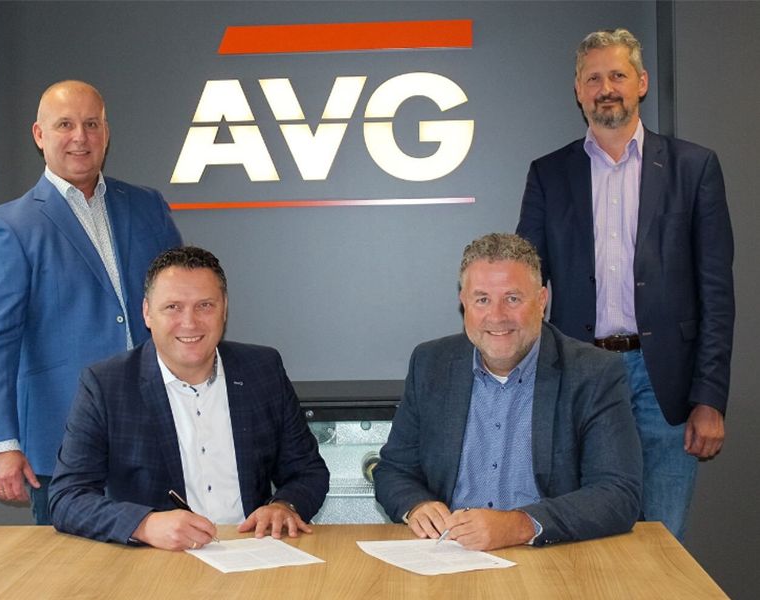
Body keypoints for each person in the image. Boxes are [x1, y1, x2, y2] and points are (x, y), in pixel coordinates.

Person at [516, 29, 734, 541]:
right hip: (581, 377)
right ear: (578, 90)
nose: (606, 88)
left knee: (662, 539)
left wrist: (710, 398)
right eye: (593, 78)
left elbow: (717, 294)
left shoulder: (693, 167)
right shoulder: (549, 174)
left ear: (642, 82)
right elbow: (526, 282)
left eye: (617, 75)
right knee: (583, 536)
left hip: (667, 387)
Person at [0, 80, 182, 524]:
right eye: (65, 124)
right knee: (70, 566)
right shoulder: (9, 227)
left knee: (165, 559)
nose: (80, 137)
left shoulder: (147, 206)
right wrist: (2, 444)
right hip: (64, 444)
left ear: (107, 132)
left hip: (157, 435)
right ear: (39, 134)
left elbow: (181, 304)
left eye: (92, 124)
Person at [49, 246, 329, 549]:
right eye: (173, 307)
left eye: (205, 305)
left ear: (224, 309)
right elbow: (67, 497)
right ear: (147, 312)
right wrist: (144, 525)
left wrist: (284, 506)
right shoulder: (106, 385)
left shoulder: (263, 370)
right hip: (155, 558)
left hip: (253, 548)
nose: (190, 322)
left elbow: (308, 472)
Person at [374, 233, 641, 551]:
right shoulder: (431, 364)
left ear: (541, 301)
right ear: (464, 302)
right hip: (450, 553)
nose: (497, 316)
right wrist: (416, 504)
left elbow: (617, 493)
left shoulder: (593, 373)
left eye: (512, 299)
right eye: (482, 300)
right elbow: (394, 470)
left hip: (551, 554)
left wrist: (521, 525)